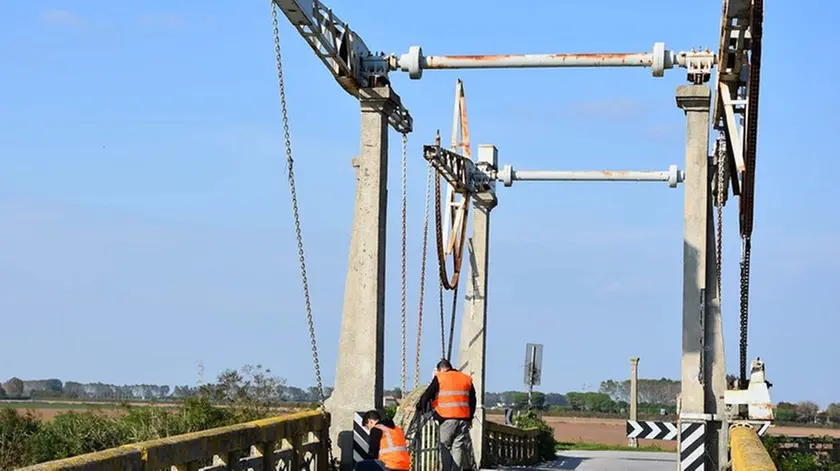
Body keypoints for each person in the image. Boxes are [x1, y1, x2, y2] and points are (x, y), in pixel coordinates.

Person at [416, 359, 477, 471]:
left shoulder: (440, 378)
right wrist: (470, 417)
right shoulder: (466, 378)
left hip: (447, 418)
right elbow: (473, 401)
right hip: (463, 418)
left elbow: (426, 396)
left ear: (441, 369)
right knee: (457, 447)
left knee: (445, 446)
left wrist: (420, 409)